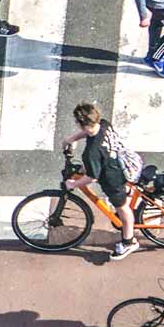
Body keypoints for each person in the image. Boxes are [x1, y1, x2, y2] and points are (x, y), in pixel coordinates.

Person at [60, 103, 138, 260]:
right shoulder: (103, 124)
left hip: (113, 177)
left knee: (123, 209)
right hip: (119, 161)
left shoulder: (92, 153)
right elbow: (90, 133)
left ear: (82, 124)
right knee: (120, 202)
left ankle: (129, 242)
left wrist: (73, 184)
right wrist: (73, 138)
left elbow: (92, 177)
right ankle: (127, 195)